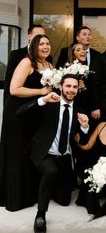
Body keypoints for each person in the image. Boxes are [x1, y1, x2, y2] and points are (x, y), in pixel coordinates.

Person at [16, 74, 88, 233]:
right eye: (68, 86)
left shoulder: (78, 109)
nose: (71, 90)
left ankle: (49, 188)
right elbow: (20, 113)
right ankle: (40, 215)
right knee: (50, 171)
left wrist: (84, 127)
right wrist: (43, 99)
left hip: (64, 157)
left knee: (64, 201)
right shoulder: (50, 103)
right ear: (61, 87)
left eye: (75, 87)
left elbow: (78, 137)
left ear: (78, 89)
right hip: (44, 152)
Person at [0, 34, 53, 211]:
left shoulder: (49, 65)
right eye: (41, 44)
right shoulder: (26, 62)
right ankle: (14, 197)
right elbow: (14, 89)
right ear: (33, 47)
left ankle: (29, 194)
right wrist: (40, 91)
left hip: (33, 114)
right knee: (16, 152)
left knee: (28, 153)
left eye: (47, 43)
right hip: (17, 113)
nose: (45, 47)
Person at [3, 24, 49, 104]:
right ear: (29, 37)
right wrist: (6, 104)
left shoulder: (47, 58)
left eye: (43, 35)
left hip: (38, 104)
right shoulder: (16, 54)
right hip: (18, 103)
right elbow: (8, 82)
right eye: (38, 35)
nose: (41, 38)